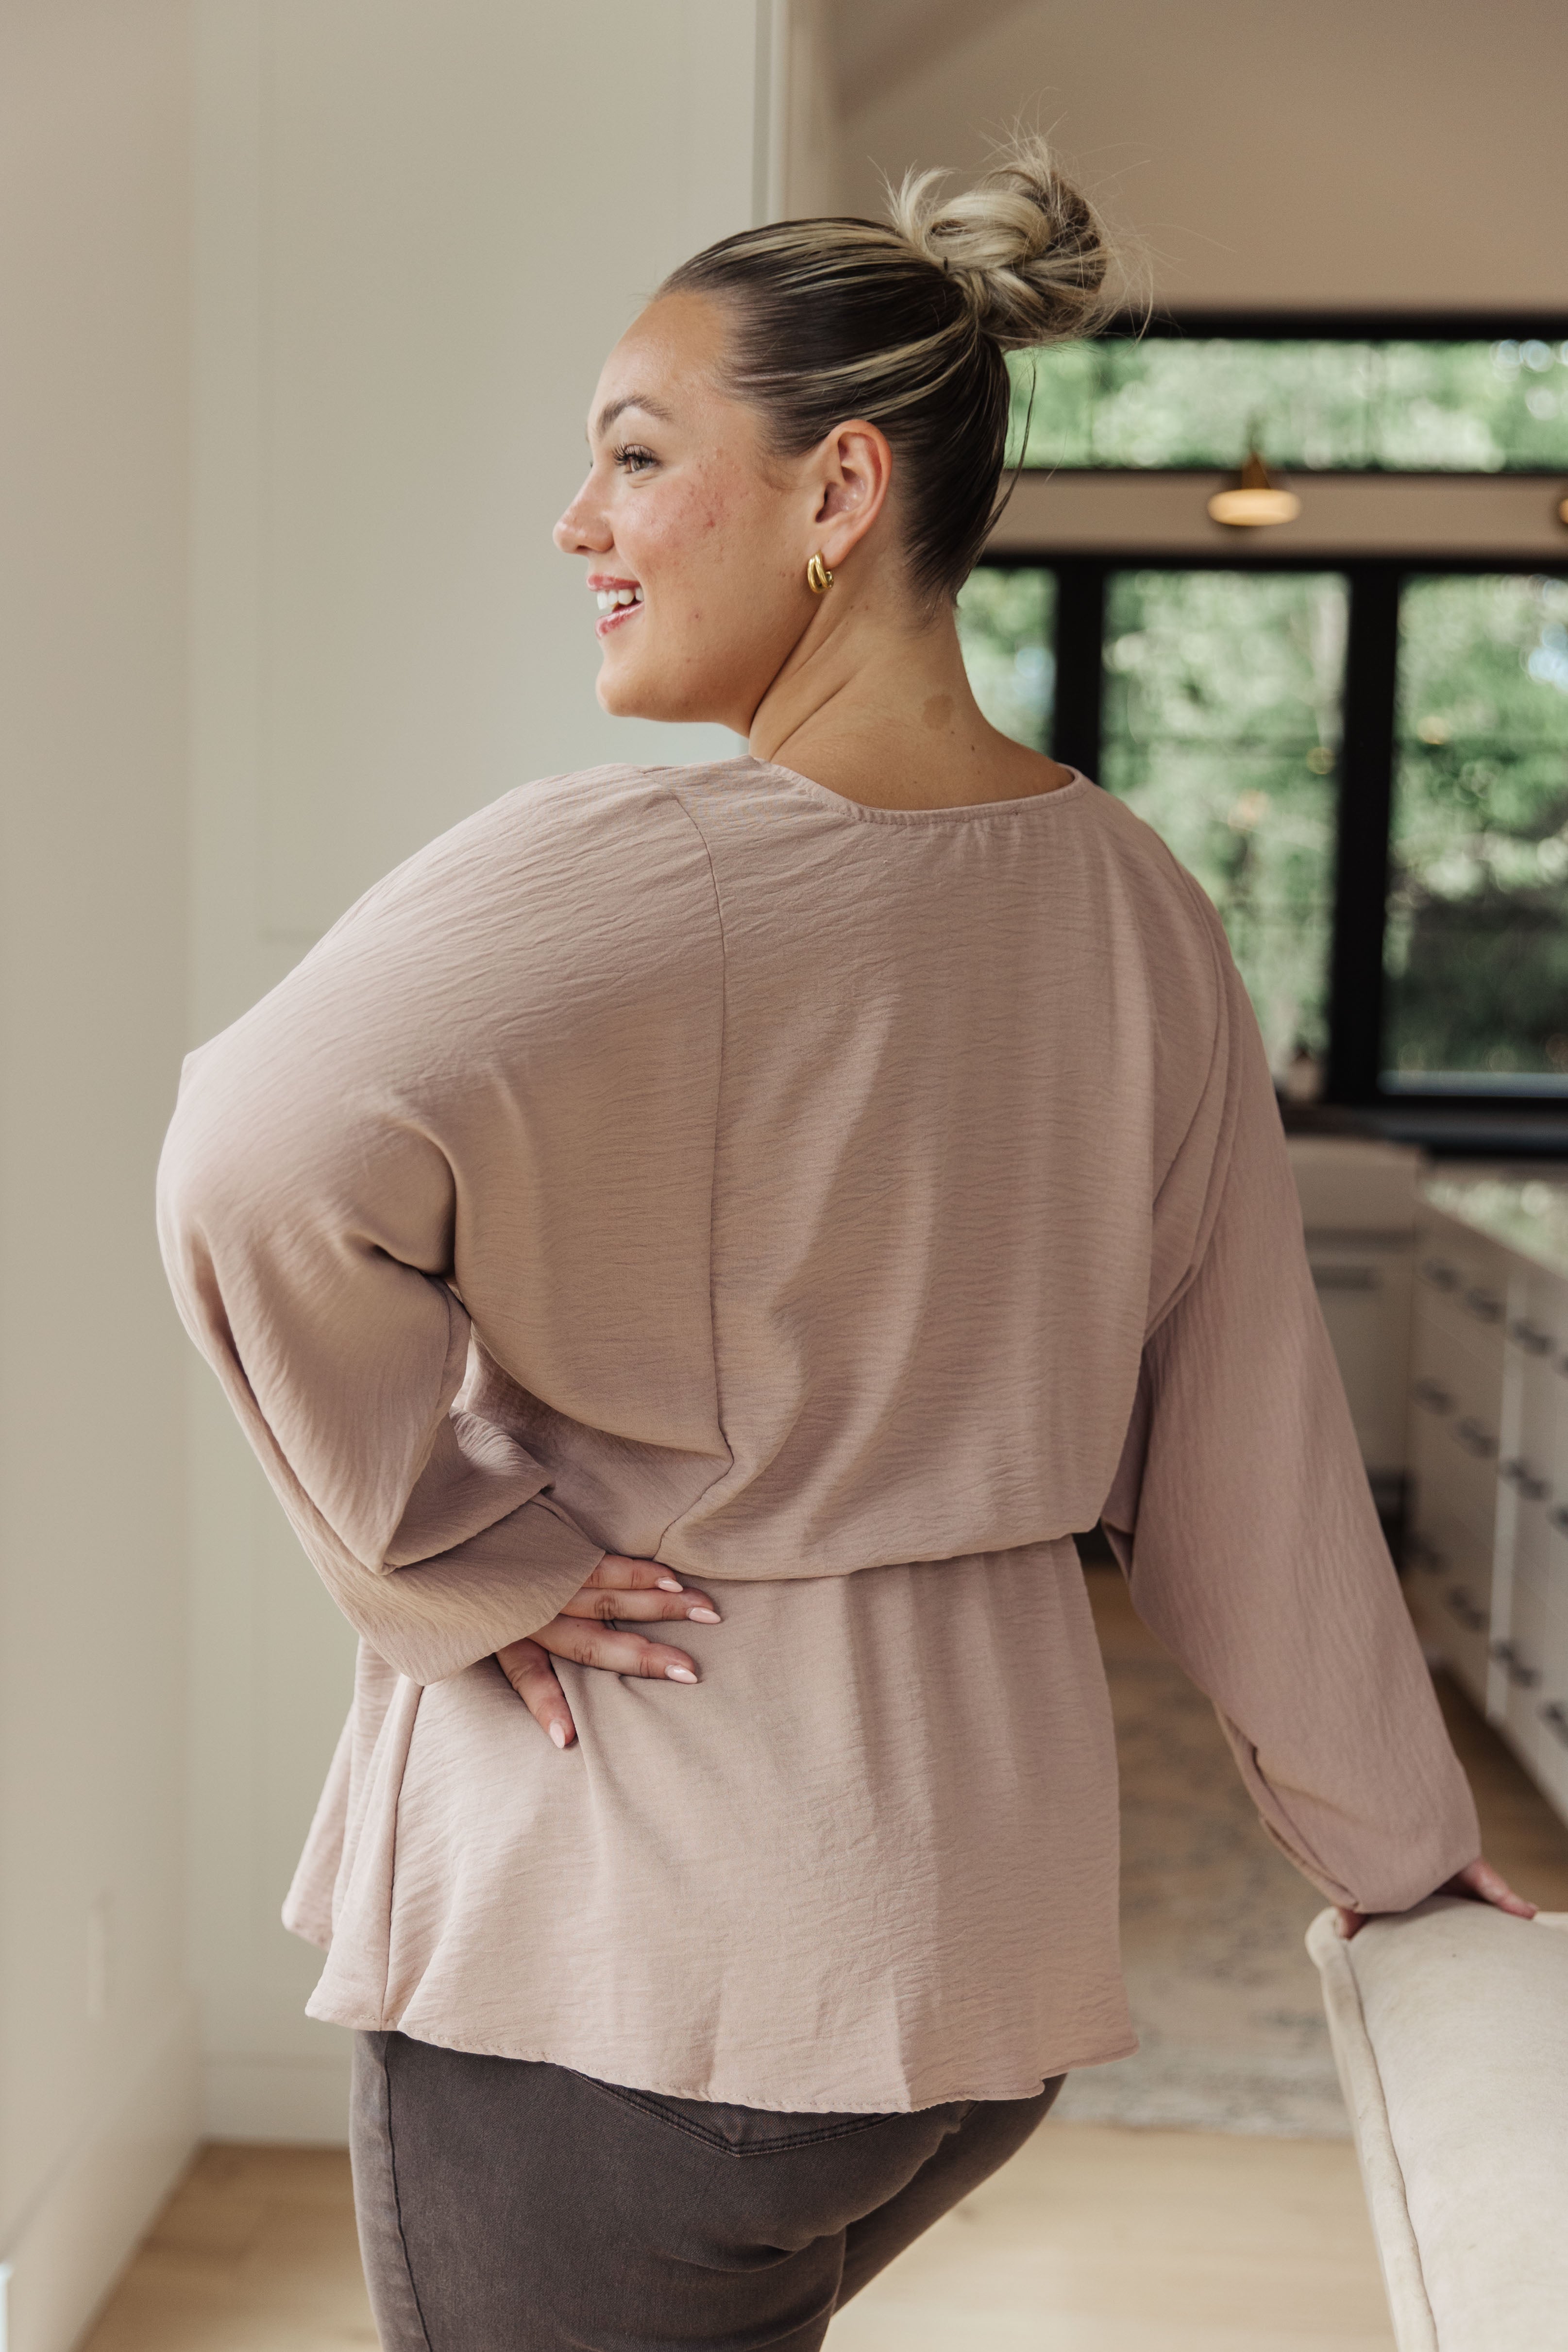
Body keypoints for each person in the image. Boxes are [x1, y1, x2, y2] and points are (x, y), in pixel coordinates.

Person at [156, 138, 1529, 2352]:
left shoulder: (620, 870)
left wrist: (455, 1545)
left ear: (841, 489)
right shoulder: (1139, 906)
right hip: (965, 1977)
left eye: (634, 454)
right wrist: (1395, 1847)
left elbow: (244, 1156)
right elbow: (1247, 1445)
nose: (578, 522)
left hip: (636, 1956)